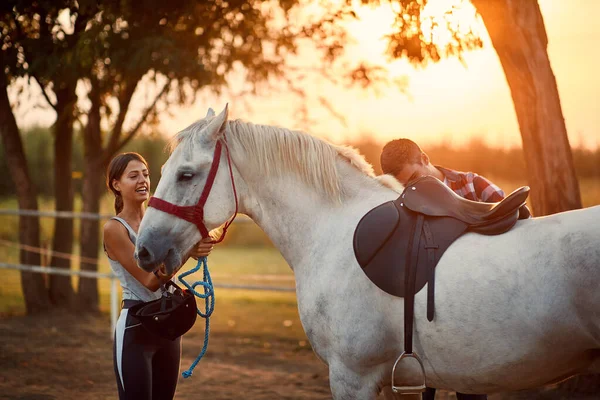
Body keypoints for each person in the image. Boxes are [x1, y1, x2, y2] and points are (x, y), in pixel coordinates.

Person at [380, 138, 529, 400]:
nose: (410, 187)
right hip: (419, 317)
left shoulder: (470, 184)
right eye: (403, 185)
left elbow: (514, 216)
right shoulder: (396, 200)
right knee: (420, 386)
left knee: (471, 387)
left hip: (470, 310)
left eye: (414, 176)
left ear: (425, 159)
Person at [103, 152, 215, 400]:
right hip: (136, 328)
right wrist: (188, 251)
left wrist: (198, 243)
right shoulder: (114, 229)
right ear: (116, 185)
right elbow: (150, 280)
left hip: (168, 329)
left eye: (145, 174)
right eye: (133, 176)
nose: (143, 180)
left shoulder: (160, 224)